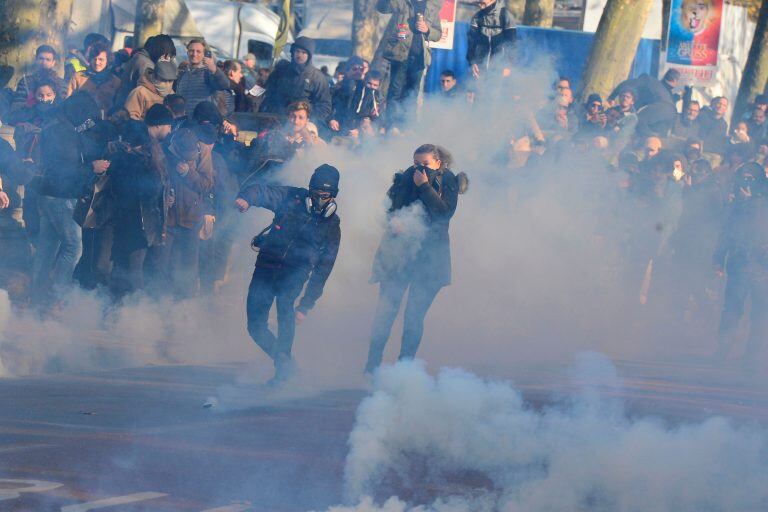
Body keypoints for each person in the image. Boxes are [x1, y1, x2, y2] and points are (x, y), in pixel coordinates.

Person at [235, 164, 341, 383]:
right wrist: (246, 198)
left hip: (295, 273)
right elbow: (262, 191)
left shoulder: (332, 226)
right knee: (255, 325)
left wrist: (306, 305)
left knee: (286, 313)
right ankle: (286, 364)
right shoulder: (292, 197)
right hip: (266, 267)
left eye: (326, 195)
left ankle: (283, 371)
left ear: (333, 196)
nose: (321, 199)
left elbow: (323, 269)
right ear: (309, 191)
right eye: (316, 194)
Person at [365, 144, 463, 373]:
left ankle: (403, 370)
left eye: (425, 164)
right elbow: (385, 209)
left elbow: (444, 213)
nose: (419, 168)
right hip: (398, 256)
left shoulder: (448, 180)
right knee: (386, 312)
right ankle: (371, 367)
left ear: (438, 163)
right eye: (416, 163)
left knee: (413, 316)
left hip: (429, 259)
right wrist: (392, 222)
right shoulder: (405, 178)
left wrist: (425, 187)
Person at [110, 105, 173, 298]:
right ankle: (132, 312)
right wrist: (162, 194)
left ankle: (117, 310)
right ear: (160, 125)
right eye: (168, 126)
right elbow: (148, 186)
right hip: (140, 218)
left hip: (130, 216)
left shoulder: (134, 148)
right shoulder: (143, 151)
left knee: (125, 265)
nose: (170, 131)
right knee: (134, 268)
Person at [713, 161, 768, 373]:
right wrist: (718, 258)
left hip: (762, 269)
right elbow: (726, 233)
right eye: (744, 178)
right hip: (739, 266)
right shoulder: (735, 207)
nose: (747, 182)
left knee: (760, 315)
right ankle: (722, 352)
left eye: (751, 178)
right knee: (731, 311)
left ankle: (751, 360)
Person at [376, 0, 442, 128]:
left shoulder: (432, 6)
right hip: (400, 53)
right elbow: (382, 7)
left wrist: (427, 29)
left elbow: (438, 34)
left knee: (412, 93)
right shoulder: (402, 2)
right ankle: (391, 126)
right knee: (395, 91)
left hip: (419, 57)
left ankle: (406, 126)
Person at [258, 37, 332, 124]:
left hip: (300, 125)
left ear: (309, 56)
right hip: (275, 120)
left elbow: (324, 106)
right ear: (293, 52)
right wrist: (254, 95)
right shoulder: (281, 70)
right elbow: (266, 91)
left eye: (304, 53)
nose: (299, 55)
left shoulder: (317, 77)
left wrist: (306, 116)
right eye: (297, 51)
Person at [116, 34, 176, 107]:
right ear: (162, 52)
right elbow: (149, 93)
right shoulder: (146, 65)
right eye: (168, 56)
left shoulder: (140, 58)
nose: (168, 60)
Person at [174, 40, 230, 117]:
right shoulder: (182, 74)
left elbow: (225, 85)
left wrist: (214, 69)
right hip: (185, 124)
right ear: (187, 53)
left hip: (203, 124)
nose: (194, 54)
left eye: (198, 51)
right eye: (191, 51)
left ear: (204, 54)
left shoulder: (208, 73)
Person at [66, 41, 122, 115]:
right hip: (81, 120)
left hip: (104, 123)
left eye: (101, 59)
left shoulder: (115, 82)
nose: (97, 62)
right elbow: (68, 101)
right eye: (94, 59)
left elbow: (118, 107)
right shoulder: (78, 77)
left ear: (107, 61)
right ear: (90, 59)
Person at [467, 0, 517, 79]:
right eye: (479, 3)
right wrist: (472, 63)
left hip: (500, 67)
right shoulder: (476, 17)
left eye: (482, 2)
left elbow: (512, 44)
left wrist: (508, 65)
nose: (480, 4)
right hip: (480, 68)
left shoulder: (506, 16)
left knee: (496, 90)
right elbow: (471, 43)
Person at [12, 45, 67, 110]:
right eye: (41, 59)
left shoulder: (61, 83)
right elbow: (17, 106)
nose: (44, 62)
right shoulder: (25, 81)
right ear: (36, 60)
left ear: (53, 63)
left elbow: (64, 105)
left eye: (48, 60)